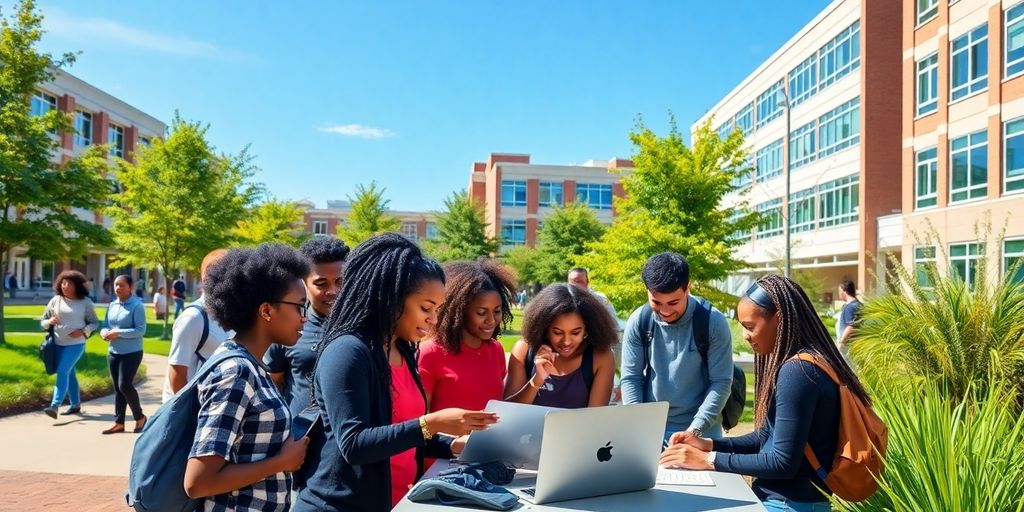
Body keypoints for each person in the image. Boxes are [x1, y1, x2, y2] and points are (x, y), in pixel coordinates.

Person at [295, 233, 498, 511]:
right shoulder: (347, 351)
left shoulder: (402, 349)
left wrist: (452, 444)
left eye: (438, 309)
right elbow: (355, 445)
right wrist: (432, 422)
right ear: (390, 299)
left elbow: (399, 437)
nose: (434, 319)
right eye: (426, 308)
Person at [660, 275, 872, 512]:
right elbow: (766, 437)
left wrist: (707, 461)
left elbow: (782, 462)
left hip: (787, 505)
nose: (745, 336)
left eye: (750, 327)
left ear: (778, 320)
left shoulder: (798, 372)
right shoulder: (805, 364)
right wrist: (708, 444)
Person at [183, 244, 311, 511]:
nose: (304, 318)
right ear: (266, 311)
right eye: (300, 306)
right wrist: (282, 462)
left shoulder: (254, 366)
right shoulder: (237, 372)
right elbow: (198, 481)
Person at [620, 252, 734, 441]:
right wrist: (637, 423)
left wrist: (694, 431)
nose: (665, 311)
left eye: (673, 302)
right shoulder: (639, 321)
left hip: (701, 432)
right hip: (650, 429)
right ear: (647, 290)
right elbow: (631, 378)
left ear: (688, 288)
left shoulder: (713, 322)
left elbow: (721, 382)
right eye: (656, 302)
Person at [265, 236, 349, 418]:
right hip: (298, 440)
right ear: (303, 284)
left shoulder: (363, 327)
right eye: (321, 283)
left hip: (346, 442)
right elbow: (273, 385)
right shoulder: (285, 326)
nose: (333, 291)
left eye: (340, 282)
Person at [418, 259, 516, 412]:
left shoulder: (495, 350)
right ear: (459, 311)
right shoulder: (429, 353)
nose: (491, 320)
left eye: (497, 311)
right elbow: (421, 421)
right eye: (481, 313)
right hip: (446, 437)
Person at [504, 283, 618, 409]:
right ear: (544, 328)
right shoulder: (524, 350)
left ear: (587, 329)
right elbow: (508, 411)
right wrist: (536, 381)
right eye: (557, 332)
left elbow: (595, 419)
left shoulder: (601, 357)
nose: (566, 341)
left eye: (575, 332)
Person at [162, 250, 232, 403]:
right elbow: (177, 372)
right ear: (205, 277)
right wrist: (189, 415)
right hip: (193, 414)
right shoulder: (193, 318)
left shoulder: (232, 314)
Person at [40, 270, 99, 419]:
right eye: (63, 282)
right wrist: (49, 322)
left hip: (76, 344)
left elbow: (94, 323)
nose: (65, 286)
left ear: (77, 285)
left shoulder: (85, 302)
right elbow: (43, 321)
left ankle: (55, 405)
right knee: (69, 374)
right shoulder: (56, 300)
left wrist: (83, 331)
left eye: (69, 283)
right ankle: (76, 404)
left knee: (62, 371)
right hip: (58, 344)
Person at [99, 274, 148, 435]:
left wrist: (118, 333)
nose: (117, 288)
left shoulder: (137, 306)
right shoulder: (112, 305)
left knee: (124, 385)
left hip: (132, 352)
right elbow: (105, 324)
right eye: (116, 285)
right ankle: (119, 423)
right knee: (118, 389)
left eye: (121, 285)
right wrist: (104, 332)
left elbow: (140, 330)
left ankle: (140, 417)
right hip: (113, 352)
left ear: (130, 287)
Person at [835, 279, 863, 359]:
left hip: (848, 346)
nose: (839, 294)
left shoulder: (850, 307)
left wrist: (841, 342)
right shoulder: (858, 304)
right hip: (855, 345)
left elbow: (851, 327)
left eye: (839, 291)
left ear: (845, 291)